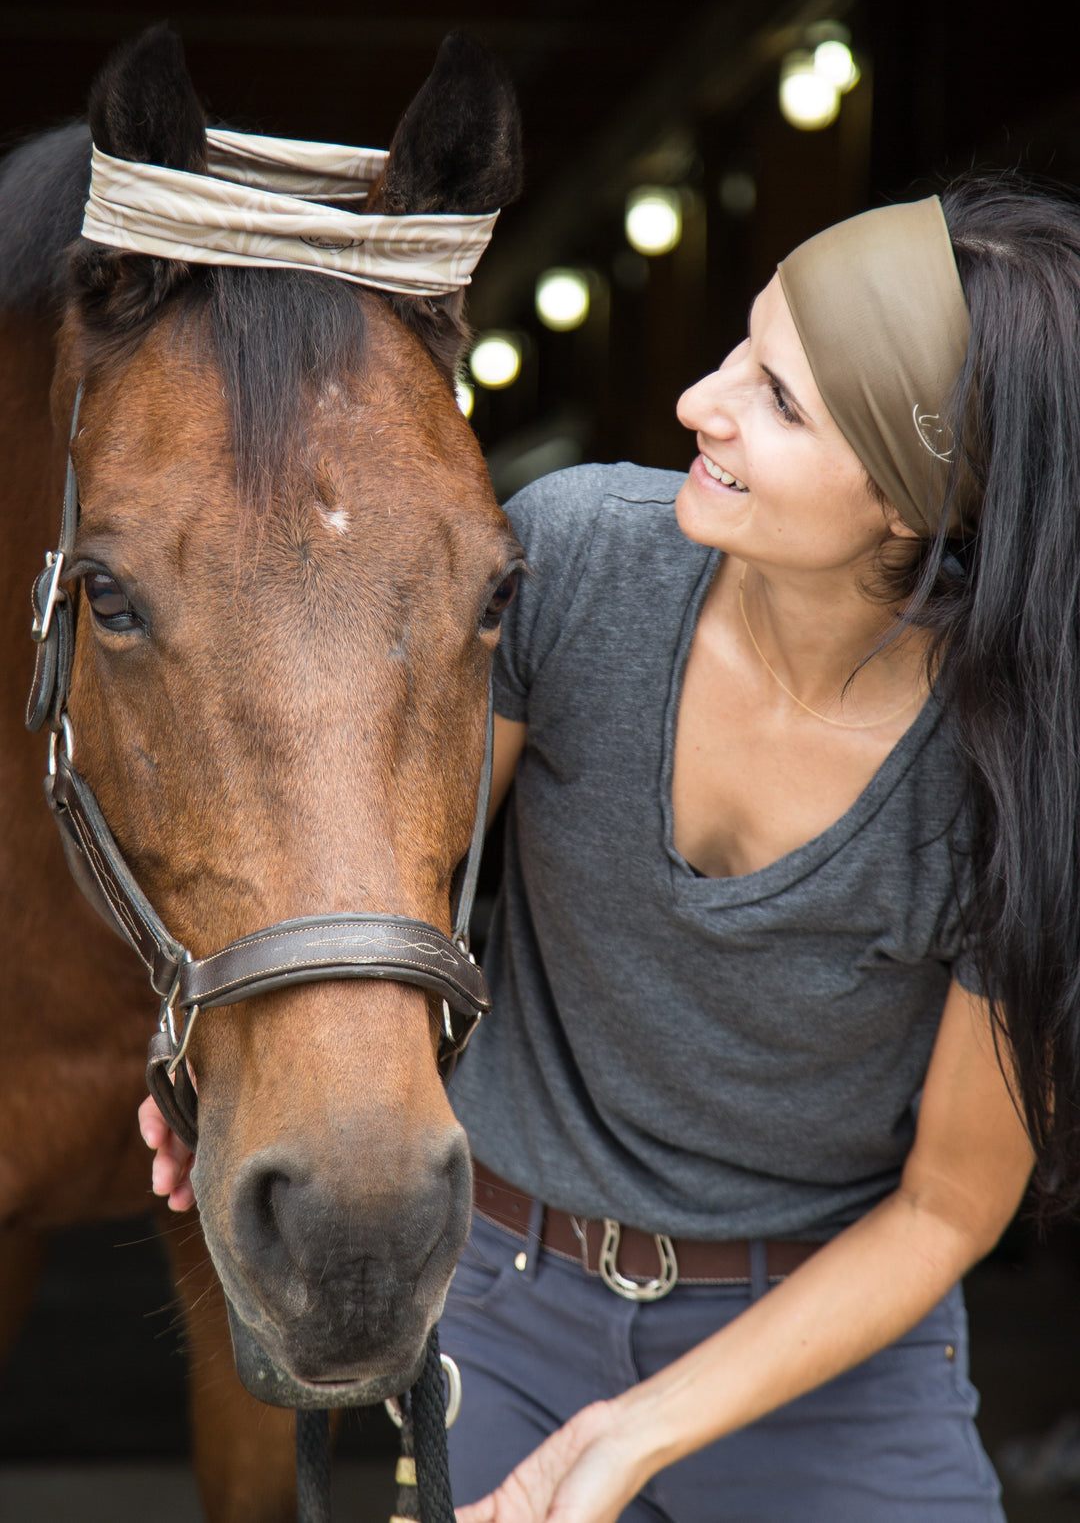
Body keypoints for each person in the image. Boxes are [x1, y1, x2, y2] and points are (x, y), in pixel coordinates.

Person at [143, 180, 1080, 1521]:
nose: (705, 400)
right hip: (503, 1308)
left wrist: (637, 1431)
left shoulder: (1013, 774)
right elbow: (386, 891)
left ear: (910, 509)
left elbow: (945, 1207)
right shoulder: (579, 561)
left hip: (829, 1358)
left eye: (783, 402)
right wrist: (231, 1070)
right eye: (742, 350)